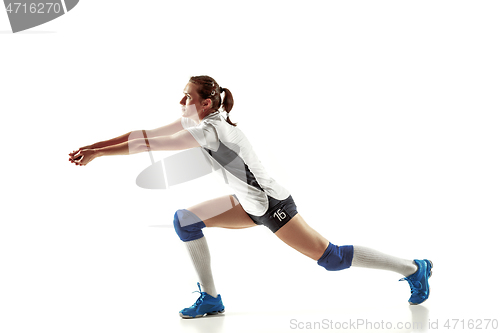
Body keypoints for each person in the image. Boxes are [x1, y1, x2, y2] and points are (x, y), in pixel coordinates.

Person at [68, 75, 433, 319]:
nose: (180, 101)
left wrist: (99, 154)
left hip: (273, 207)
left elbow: (149, 144)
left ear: (208, 104)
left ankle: (415, 268)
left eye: (188, 96)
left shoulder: (212, 130)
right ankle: (211, 299)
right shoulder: (197, 122)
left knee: (332, 259)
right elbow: (143, 133)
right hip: (249, 205)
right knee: (186, 220)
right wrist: (92, 147)